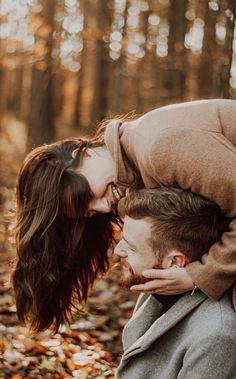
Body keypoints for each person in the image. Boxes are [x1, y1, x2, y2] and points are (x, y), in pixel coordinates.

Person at [12, 99, 236, 333]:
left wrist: (199, 276)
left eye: (88, 195)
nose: (101, 208)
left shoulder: (160, 148)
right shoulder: (135, 171)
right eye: (88, 211)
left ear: (82, 153)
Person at [70, 188, 236, 379]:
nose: (118, 250)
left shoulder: (216, 336)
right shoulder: (156, 291)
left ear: (174, 261)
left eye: (131, 246)